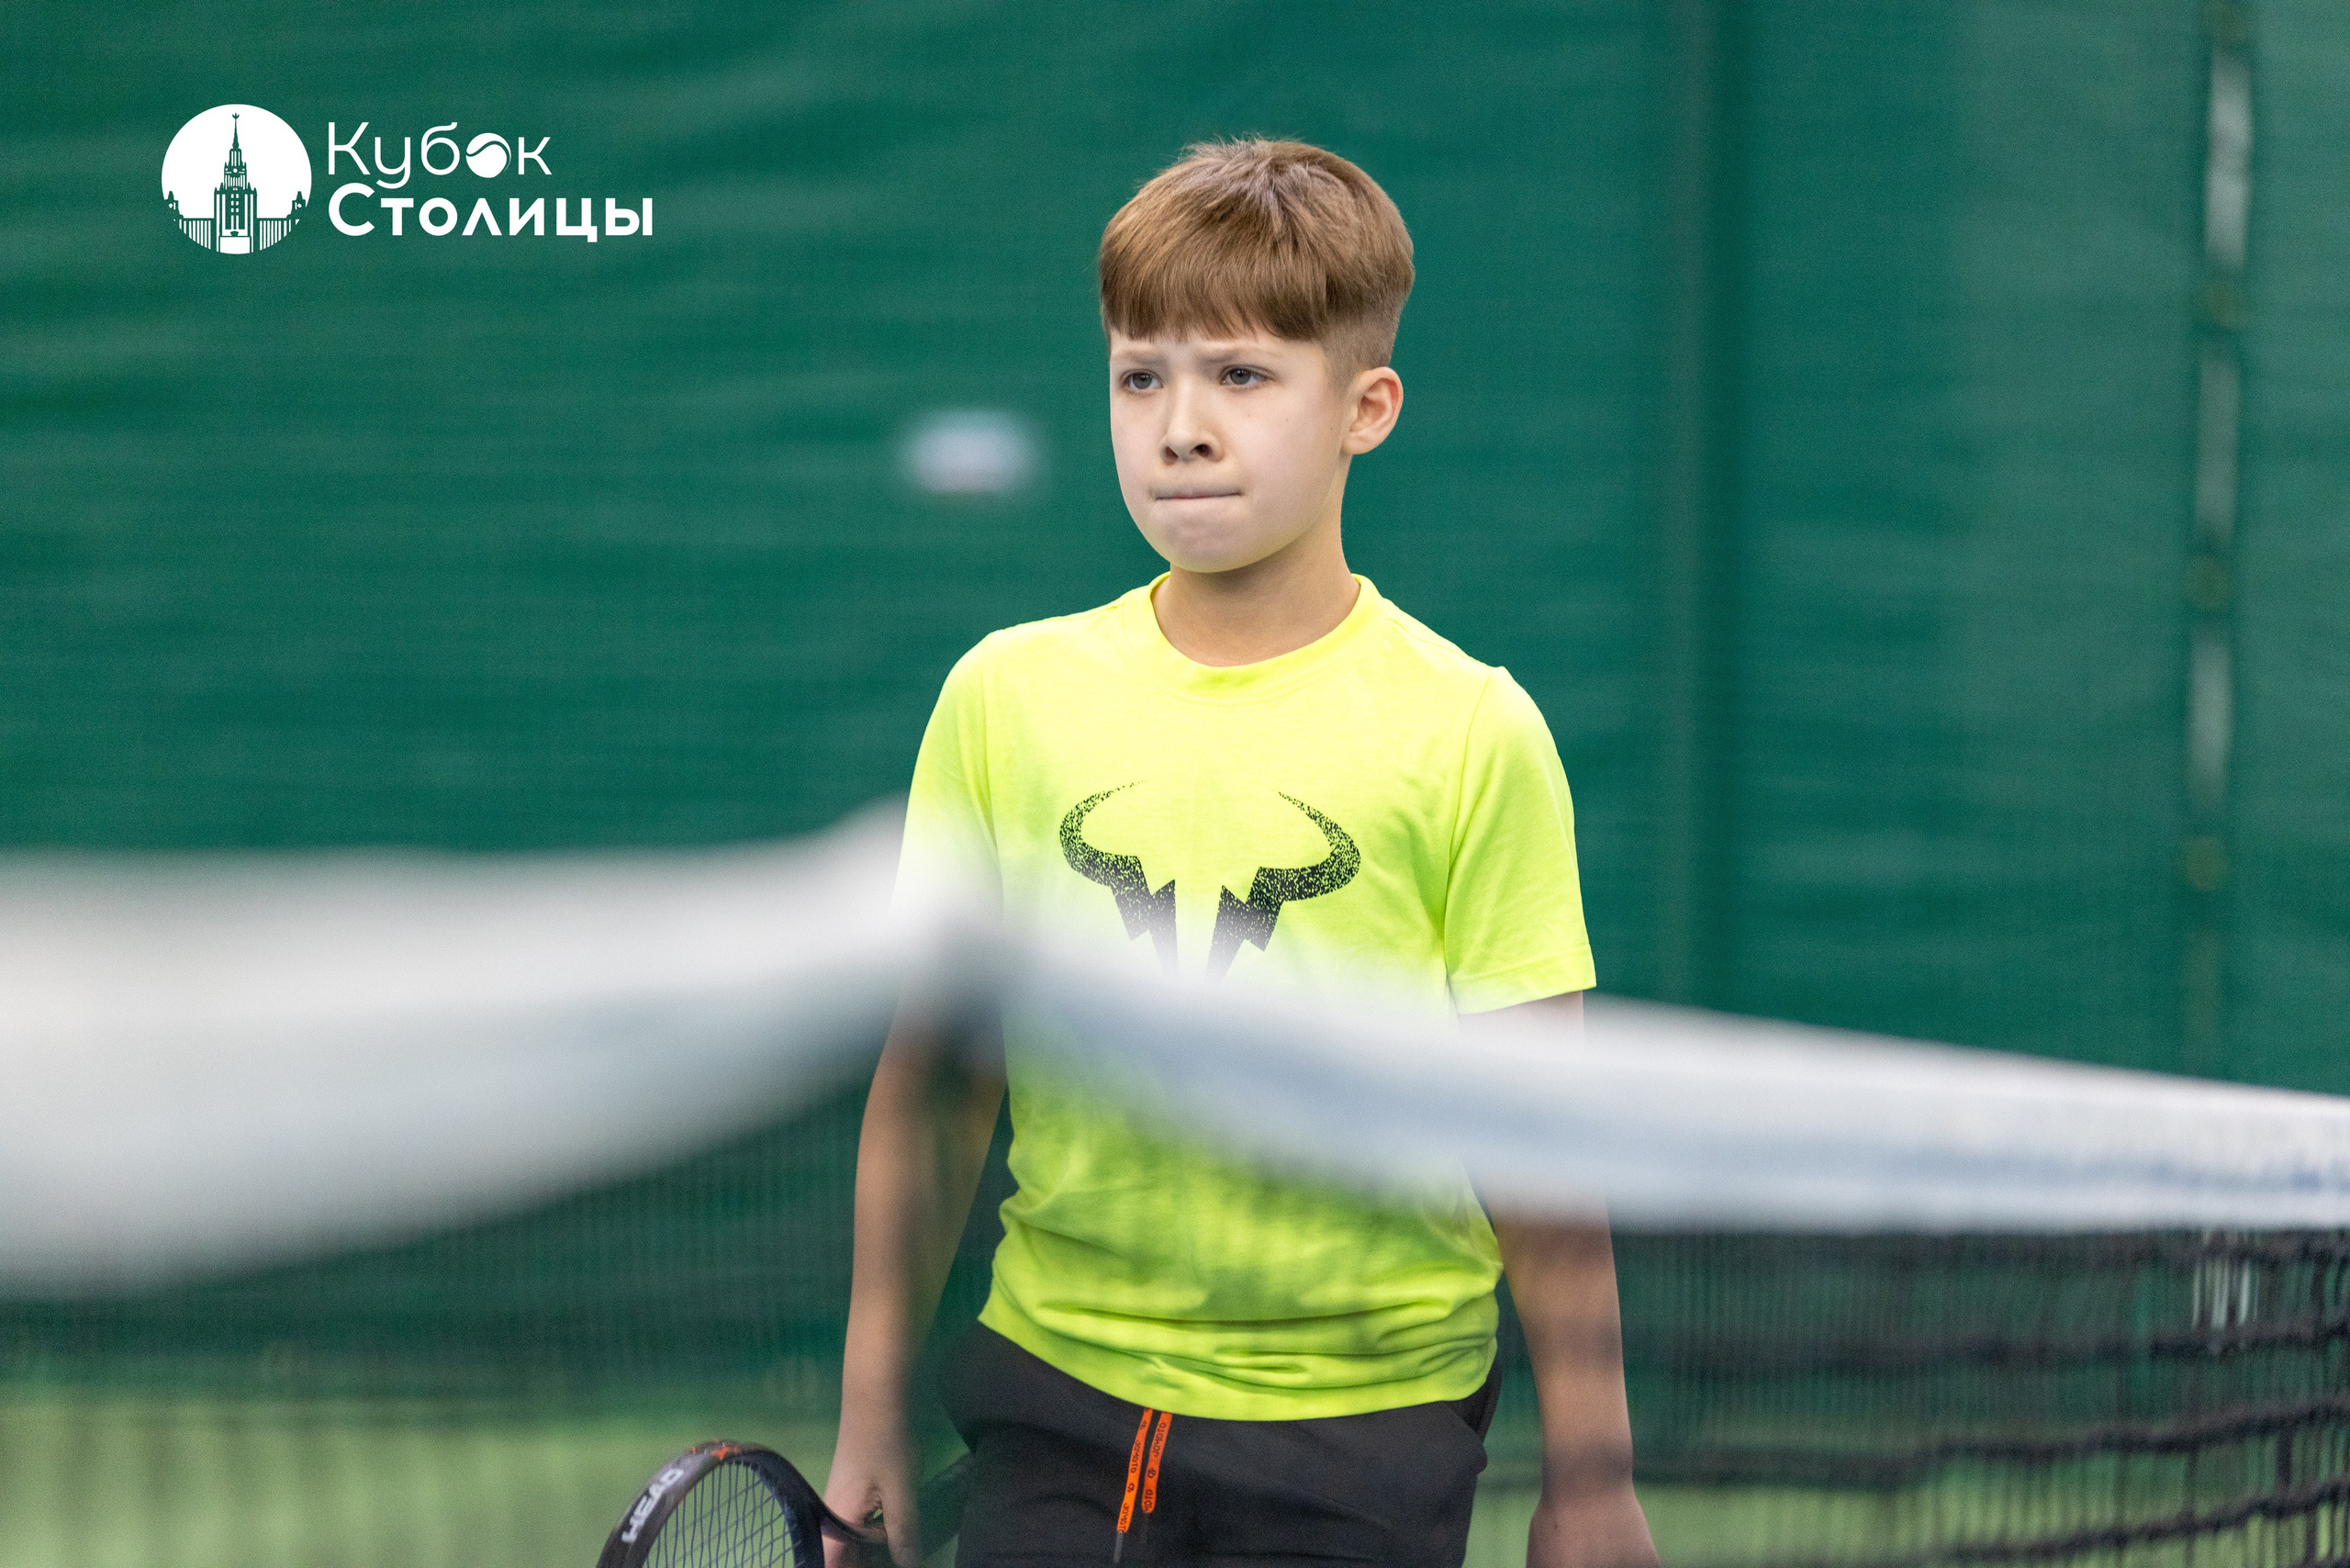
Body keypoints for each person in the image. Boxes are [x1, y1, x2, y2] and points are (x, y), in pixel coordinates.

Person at [824, 138, 1658, 1568]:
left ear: (1366, 408)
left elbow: (1539, 1134)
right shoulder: (1004, 698)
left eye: (1243, 377)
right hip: (1057, 1405)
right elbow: (937, 1086)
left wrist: (1591, 1477)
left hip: (1368, 1432)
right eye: (1141, 375)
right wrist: (867, 1414)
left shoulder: (1472, 733)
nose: (1181, 427)